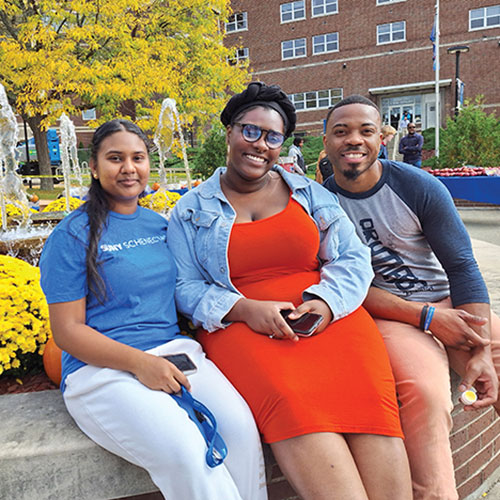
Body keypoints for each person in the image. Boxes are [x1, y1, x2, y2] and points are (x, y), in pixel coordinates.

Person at [168, 82, 412, 500]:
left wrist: (326, 303)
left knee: (372, 400)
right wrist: (244, 309)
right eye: (249, 131)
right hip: (243, 329)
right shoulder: (190, 210)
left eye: (272, 137)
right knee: (294, 403)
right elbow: (184, 287)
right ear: (228, 131)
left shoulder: (309, 193)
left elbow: (353, 258)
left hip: (331, 319)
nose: (260, 144)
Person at [39, 119, 267, 500]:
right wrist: (140, 364)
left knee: (241, 431)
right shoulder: (71, 235)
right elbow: (67, 332)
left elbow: (191, 287)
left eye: (137, 158)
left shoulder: (162, 224)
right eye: (115, 158)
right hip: (102, 372)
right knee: (187, 453)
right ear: (93, 166)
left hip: (175, 355)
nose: (129, 168)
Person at [322, 94, 500, 500]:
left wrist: (479, 350)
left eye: (366, 131)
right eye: (342, 131)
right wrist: (425, 318)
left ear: (382, 139)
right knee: (425, 392)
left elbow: (462, 267)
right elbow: (346, 289)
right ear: (326, 141)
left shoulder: (417, 186)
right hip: (393, 316)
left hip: (451, 301)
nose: (354, 140)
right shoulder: (321, 204)